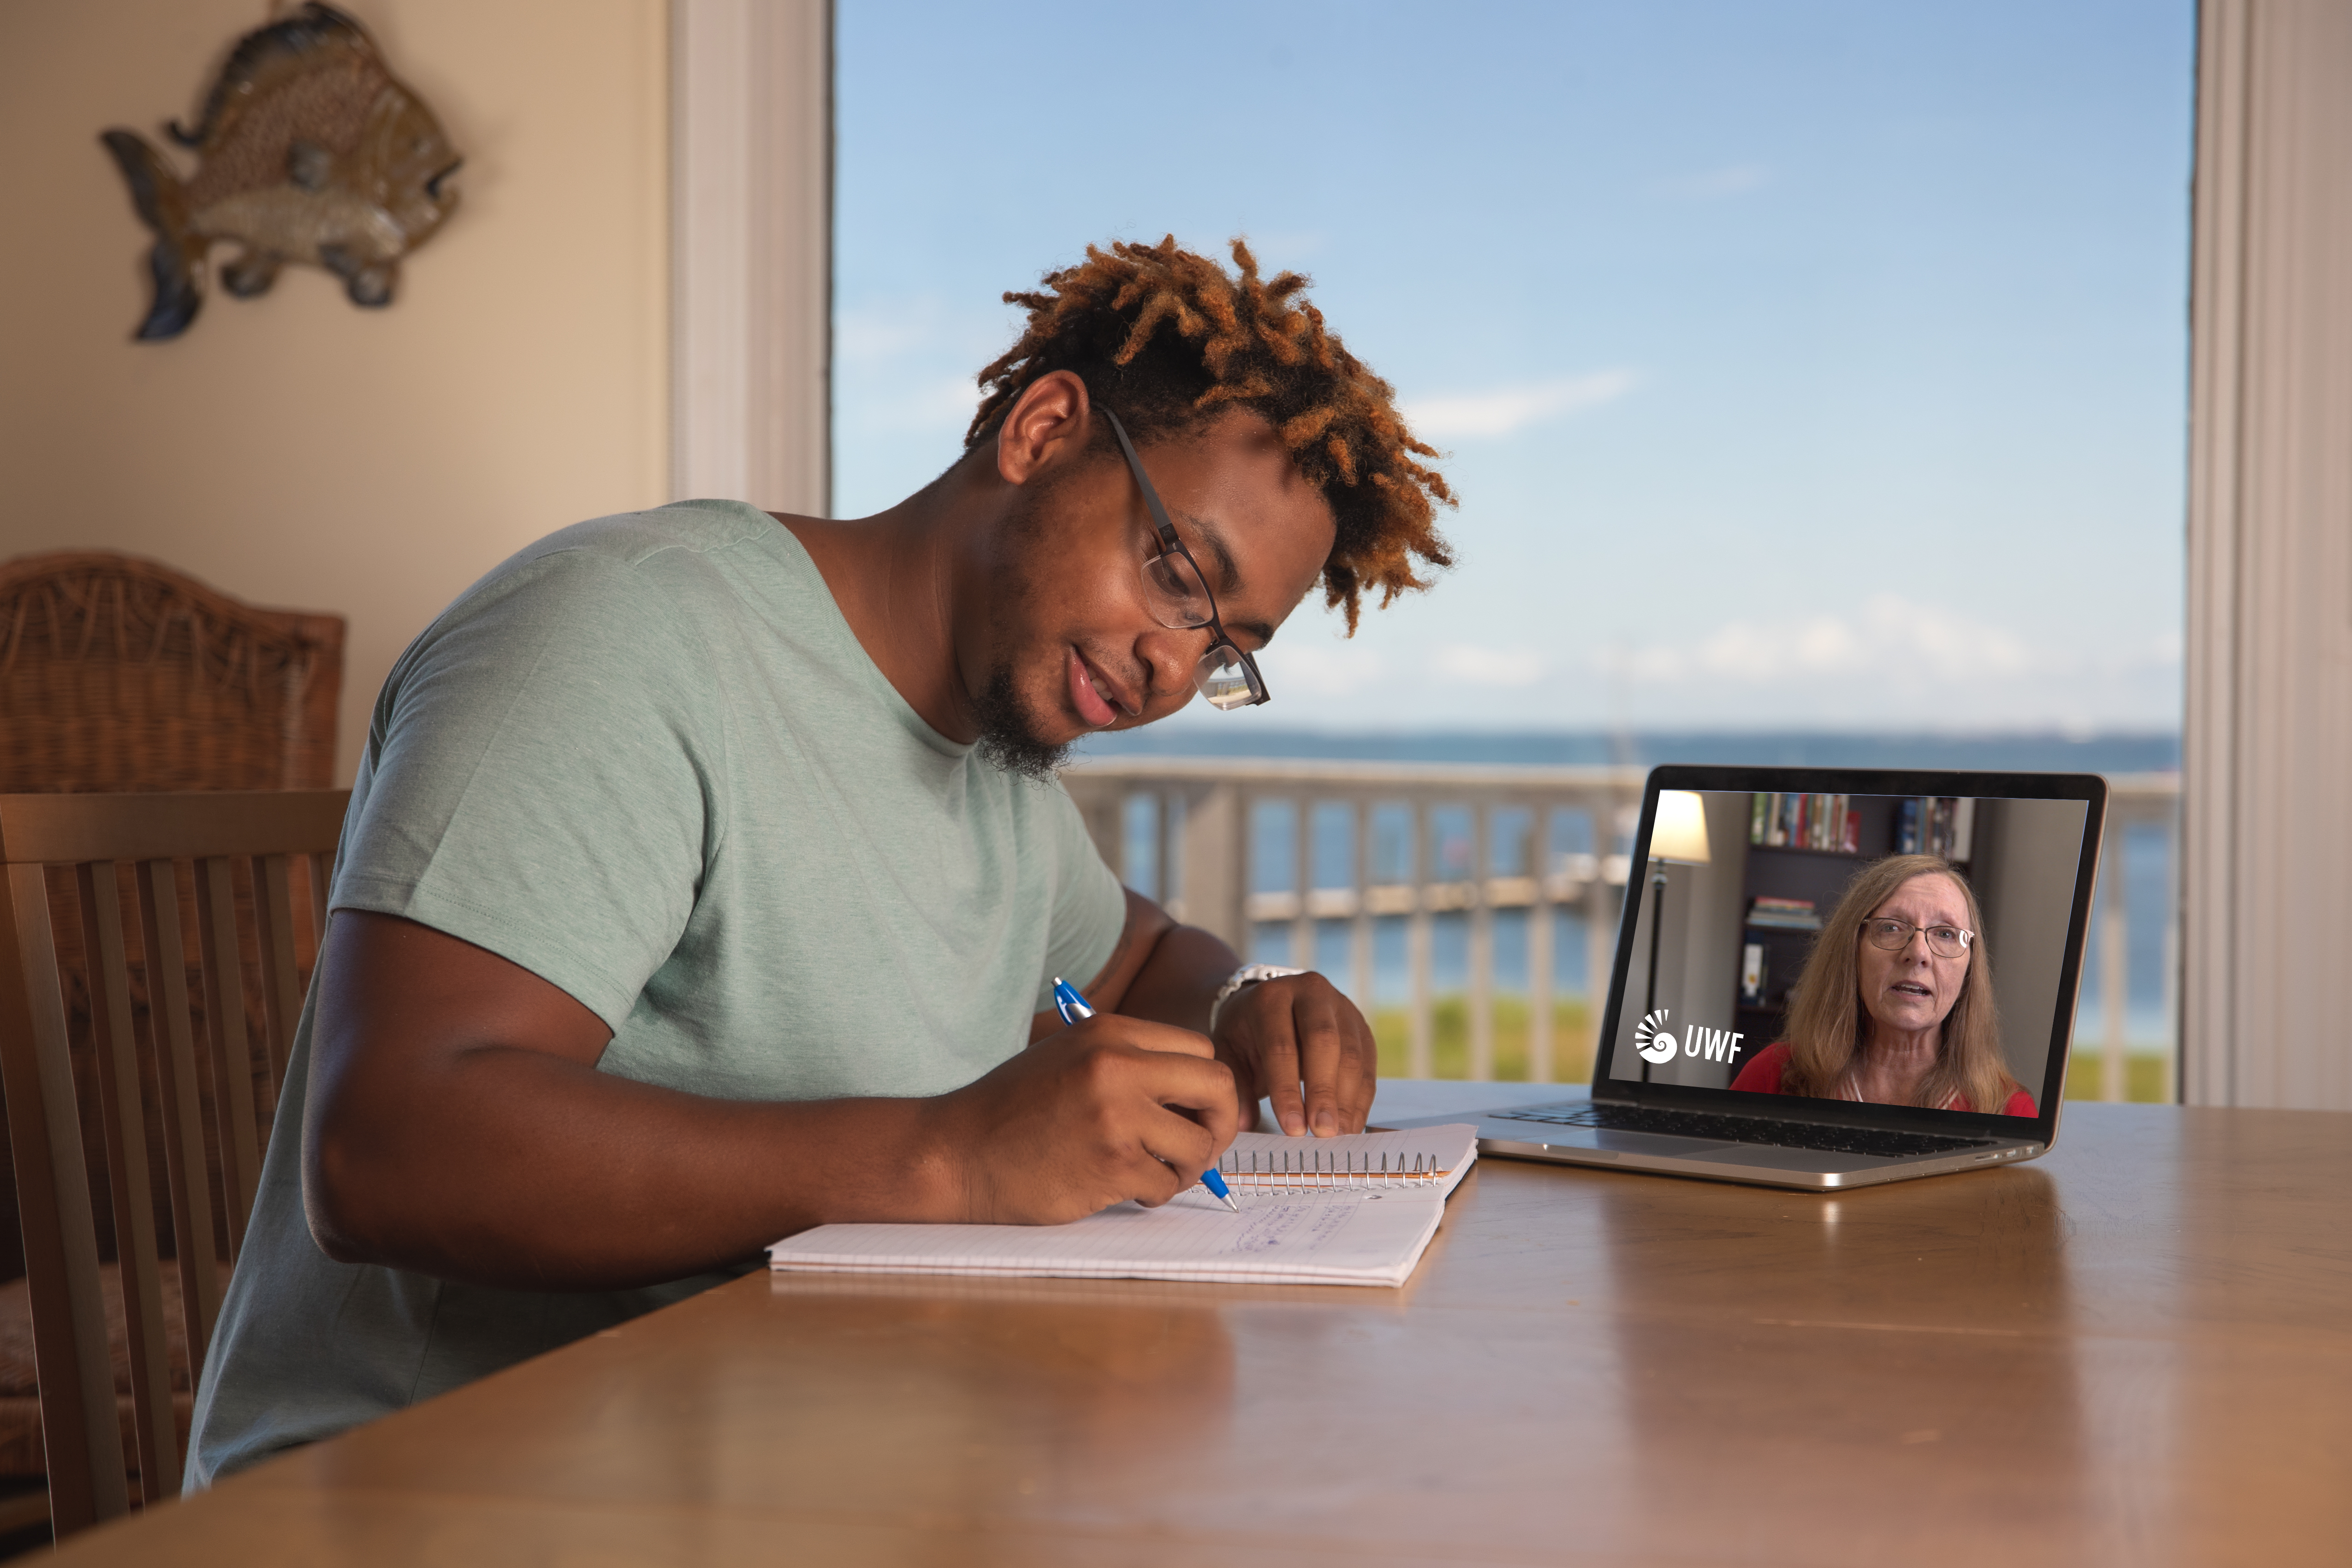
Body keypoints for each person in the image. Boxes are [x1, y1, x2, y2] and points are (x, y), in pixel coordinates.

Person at [184, 237, 1456, 1485]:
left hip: (784, 1452)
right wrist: (952, 1158)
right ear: (1043, 429)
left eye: (1226, 648)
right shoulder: (615, 636)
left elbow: (1148, 960)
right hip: (447, 1489)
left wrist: (1244, 1010)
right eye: (1180, 573)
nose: (1174, 666)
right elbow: (388, 1150)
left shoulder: (994, 764)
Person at [1728, 854, 2036, 1116]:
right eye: (1891, 928)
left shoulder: (2009, 1110)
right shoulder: (1773, 1075)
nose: (1918, 953)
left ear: (1970, 967)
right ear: (1852, 950)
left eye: (1945, 934)